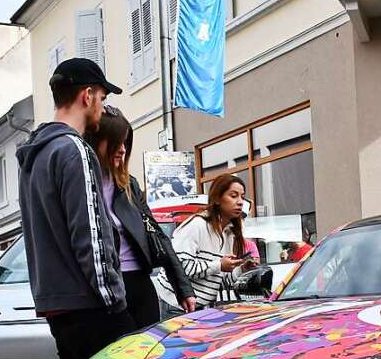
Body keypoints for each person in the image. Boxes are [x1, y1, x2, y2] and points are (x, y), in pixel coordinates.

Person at [17, 57, 133, 359]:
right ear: (87, 95)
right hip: (90, 305)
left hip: (57, 304)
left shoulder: (35, 156)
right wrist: (115, 301)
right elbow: (91, 234)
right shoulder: (74, 150)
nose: (102, 107)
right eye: (102, 98)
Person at [84, 105, 196, 326]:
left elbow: (156, 234)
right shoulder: (84, 184)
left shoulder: (128, 185)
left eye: (126, 143)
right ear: (97, 141)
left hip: (140, 285)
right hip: (107, 290)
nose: (123, 150)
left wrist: (183, 288)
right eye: (116, 142)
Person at [169, 174, 256, 309]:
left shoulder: (228, 233)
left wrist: (240, 269)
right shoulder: (197, 225)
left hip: (201, 307)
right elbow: (179, 268)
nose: (240, 202)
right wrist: (219, 265)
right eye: (233, 196)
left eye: (242, 197)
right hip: (176, 305)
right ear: (217, 199)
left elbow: (216, 281)